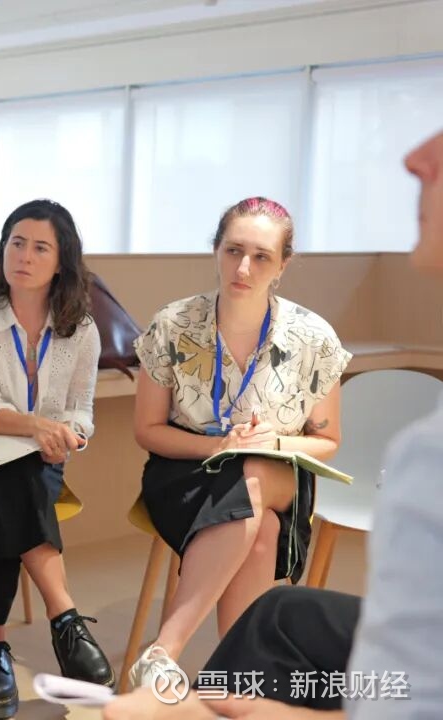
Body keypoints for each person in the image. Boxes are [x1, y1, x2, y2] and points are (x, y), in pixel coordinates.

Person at [127, 196, 351, 690]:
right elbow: (148, 430)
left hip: (278, 473)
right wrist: (217, 447)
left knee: (252, 476)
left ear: (283, 265)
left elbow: (327, 441)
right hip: (187, 472)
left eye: (261, 256)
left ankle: (164, 650)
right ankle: (238, 685)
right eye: (233, 251)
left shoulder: (314, 338)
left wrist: (276, 443)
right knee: (260, 528)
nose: (243, 268)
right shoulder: (173, 324)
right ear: (216, 250)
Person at [0, 199, 115, 718]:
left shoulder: (82, 329)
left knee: (3, 495)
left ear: (62, 261)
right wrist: (40, 427)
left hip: (34, 460)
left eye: (40, 248)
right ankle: (65, 616)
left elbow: (82, 410)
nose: (24, 257)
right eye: (16, 243)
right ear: (2, 249)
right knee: (10, 481)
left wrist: (70, 435)